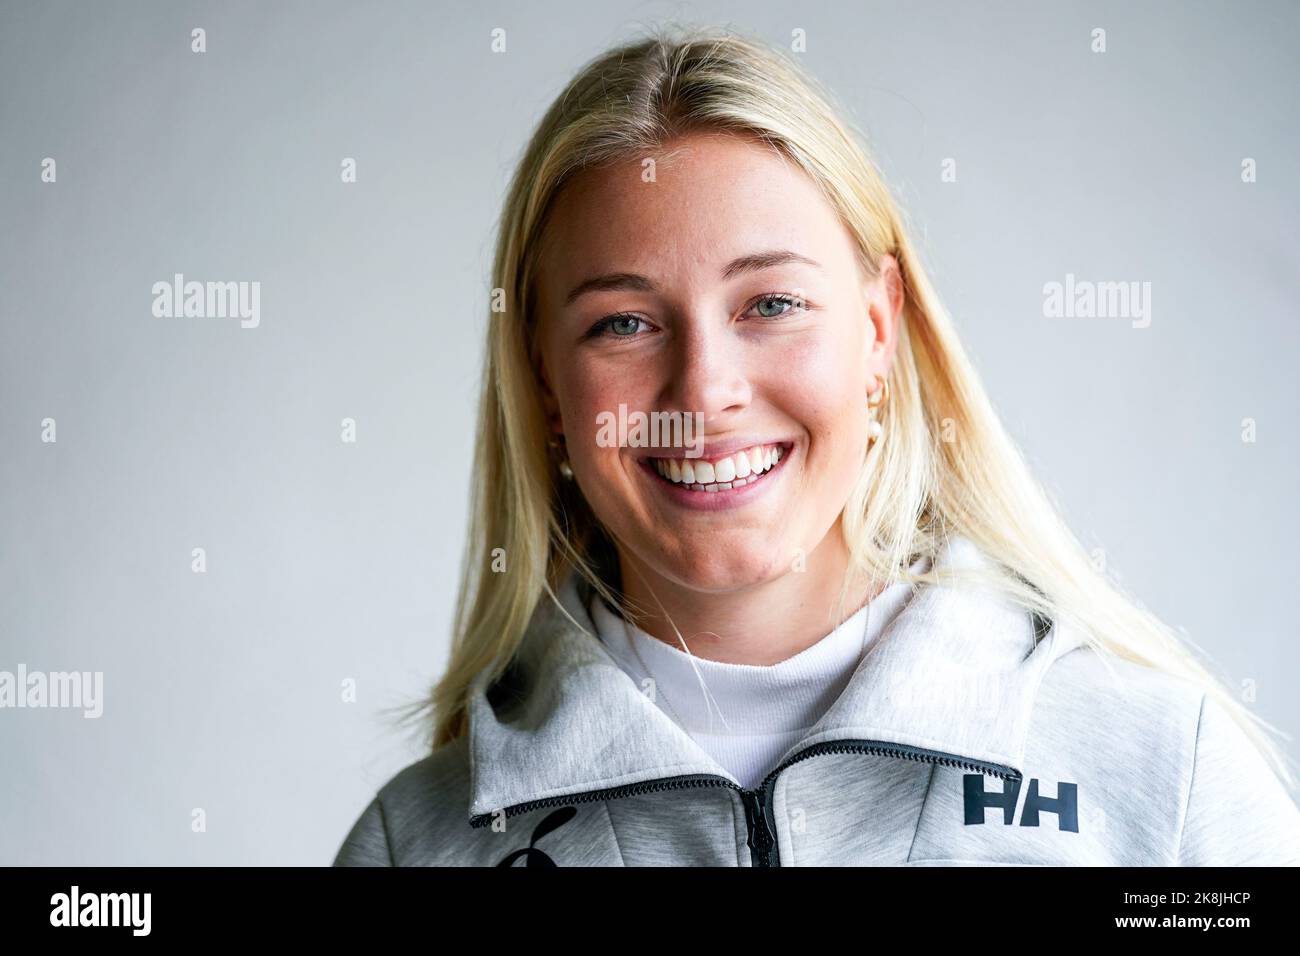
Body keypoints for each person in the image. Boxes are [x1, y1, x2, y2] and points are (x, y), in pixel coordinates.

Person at [333, 27, 1300, 866]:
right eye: (623, 324)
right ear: (546, 382)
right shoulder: (415, 844)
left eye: (773, 304)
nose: (706, 389)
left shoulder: (1165, 778)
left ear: (879, 330)